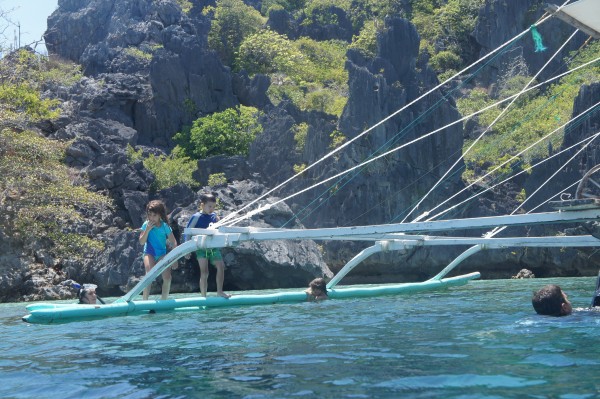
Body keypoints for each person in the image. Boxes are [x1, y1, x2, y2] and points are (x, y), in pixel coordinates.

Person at [185, 193, 230, 298]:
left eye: (214, 207)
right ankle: (203, 296)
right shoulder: (196, 217)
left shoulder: (214, 217)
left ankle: (220, 292)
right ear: (202, 205)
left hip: (213, 247)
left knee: (221, 267)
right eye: (210, 206)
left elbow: (220, 229)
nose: (212, 209)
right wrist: (187, 249)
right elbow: (187, 232)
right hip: (201, 247)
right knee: (204, 272)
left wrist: (219, 222)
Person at [139, 200, 178, 300]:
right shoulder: (146, 225)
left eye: (154, 215)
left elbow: (173, 242)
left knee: (167, 277)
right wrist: (147, 230)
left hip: (161, 254)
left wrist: (175, 260)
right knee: (149, 274)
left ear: (160, 215)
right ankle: (144, 301)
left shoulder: (165, 226)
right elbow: (141, 242)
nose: (151, 218)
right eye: (149, 215)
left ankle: (164, 300)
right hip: (149, 253)